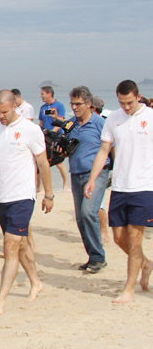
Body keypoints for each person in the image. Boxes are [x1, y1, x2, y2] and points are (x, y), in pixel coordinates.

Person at [0, 90, 53, 316]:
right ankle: (36, 282)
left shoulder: (31, 130)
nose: (1, 116)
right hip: (2, 196)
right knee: (20, 243)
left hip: (23, 195)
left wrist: (49, 194)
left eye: (5, 111)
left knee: (10, 244)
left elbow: (43, 164)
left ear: (15, 106)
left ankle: (0, 300)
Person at [84, 80, 153, 304]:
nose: (126, 107)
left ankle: (129, 290)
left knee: (134, 239)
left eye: (130, 102)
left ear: (138, 97)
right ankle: (145, 263)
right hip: (120, 186)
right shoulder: (113, 118)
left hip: (144, 187)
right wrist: (92, 179)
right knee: (118, 238)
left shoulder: (150, 117)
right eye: (122, 103)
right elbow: (104, 150)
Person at [63, 86, 109, 273]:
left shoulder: (100, 123)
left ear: (89, 104)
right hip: (76, 173)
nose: (74, 108)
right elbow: (67, 149)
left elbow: (110, 148)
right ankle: (93, 257)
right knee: (81, 218)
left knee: (89, 212)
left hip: (97, 174)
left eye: (78, 104)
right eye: (72, 104)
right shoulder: (71, 124)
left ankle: (98, 257)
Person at [38, 85, 69, 191]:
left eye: (43, 93)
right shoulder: (42, 107)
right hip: (45, 138)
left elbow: (61, 121)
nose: (41, 96)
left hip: (55, 137)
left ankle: (66, 184)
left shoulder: (59, 105)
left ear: (49, 94)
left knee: (59, 163)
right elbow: (41, 123)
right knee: (44, 162)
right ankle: (41, 187)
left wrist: (52, 132)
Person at [91, 95, 111, 244]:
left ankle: (104, 232)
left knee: (99, 203)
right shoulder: (82, 123)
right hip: (86, 168)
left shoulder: (101, 123)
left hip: (101, 168)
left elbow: (110, 148)